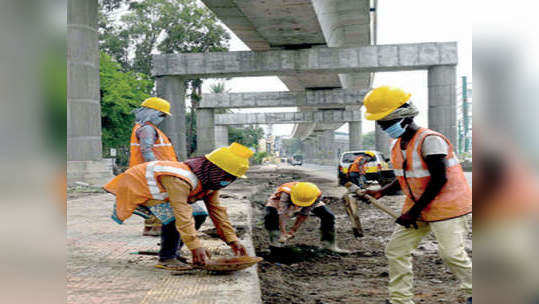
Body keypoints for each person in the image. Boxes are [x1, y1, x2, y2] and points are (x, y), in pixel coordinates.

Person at [359, 86, 472, 304]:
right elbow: (405, 178)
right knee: (396, 250)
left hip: (447, 209)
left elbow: (439, 179)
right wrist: (381, 191)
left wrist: (413, 212)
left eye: (385, 122)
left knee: (452, 255)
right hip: (418, 208)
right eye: (380, 123)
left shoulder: (430, 140)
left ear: (404, 118)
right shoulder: (398, 144)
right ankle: (400, 300)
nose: (382, 127)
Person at [105, 143, 253, 269]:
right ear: (213, 169)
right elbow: (181, 212)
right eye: (226, 176)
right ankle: (167, 257)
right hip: (137, 187)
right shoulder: (180, 179)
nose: (227, 181)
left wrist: (232, 240)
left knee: (199, 214)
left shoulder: (209, 183)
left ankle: (174, 252)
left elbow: (218, 213)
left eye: (232, 178)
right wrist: (195, 245)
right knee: (176, 216)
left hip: (159, 192)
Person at [129, 97, 208, 237]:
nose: (162, 119)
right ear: (152, 113)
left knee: (154, 198)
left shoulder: (146, 128)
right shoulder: (147, 129)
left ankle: (151, 227)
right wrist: (156, 169)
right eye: (162, 115)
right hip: (153, 171)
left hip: (150, 170)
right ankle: (156, 227)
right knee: (160, 199)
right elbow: (146, 150)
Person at [264, 182, 348, 253]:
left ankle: (329, 245)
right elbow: (282, 214)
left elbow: (303, 214)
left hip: (309, 200)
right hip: (280, 200)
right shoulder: (286, 193)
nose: (299, 206)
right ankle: (275, 243)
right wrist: (283, 232)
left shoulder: (316, 195)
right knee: (270, 214)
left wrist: (293, 230)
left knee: (328, 216)